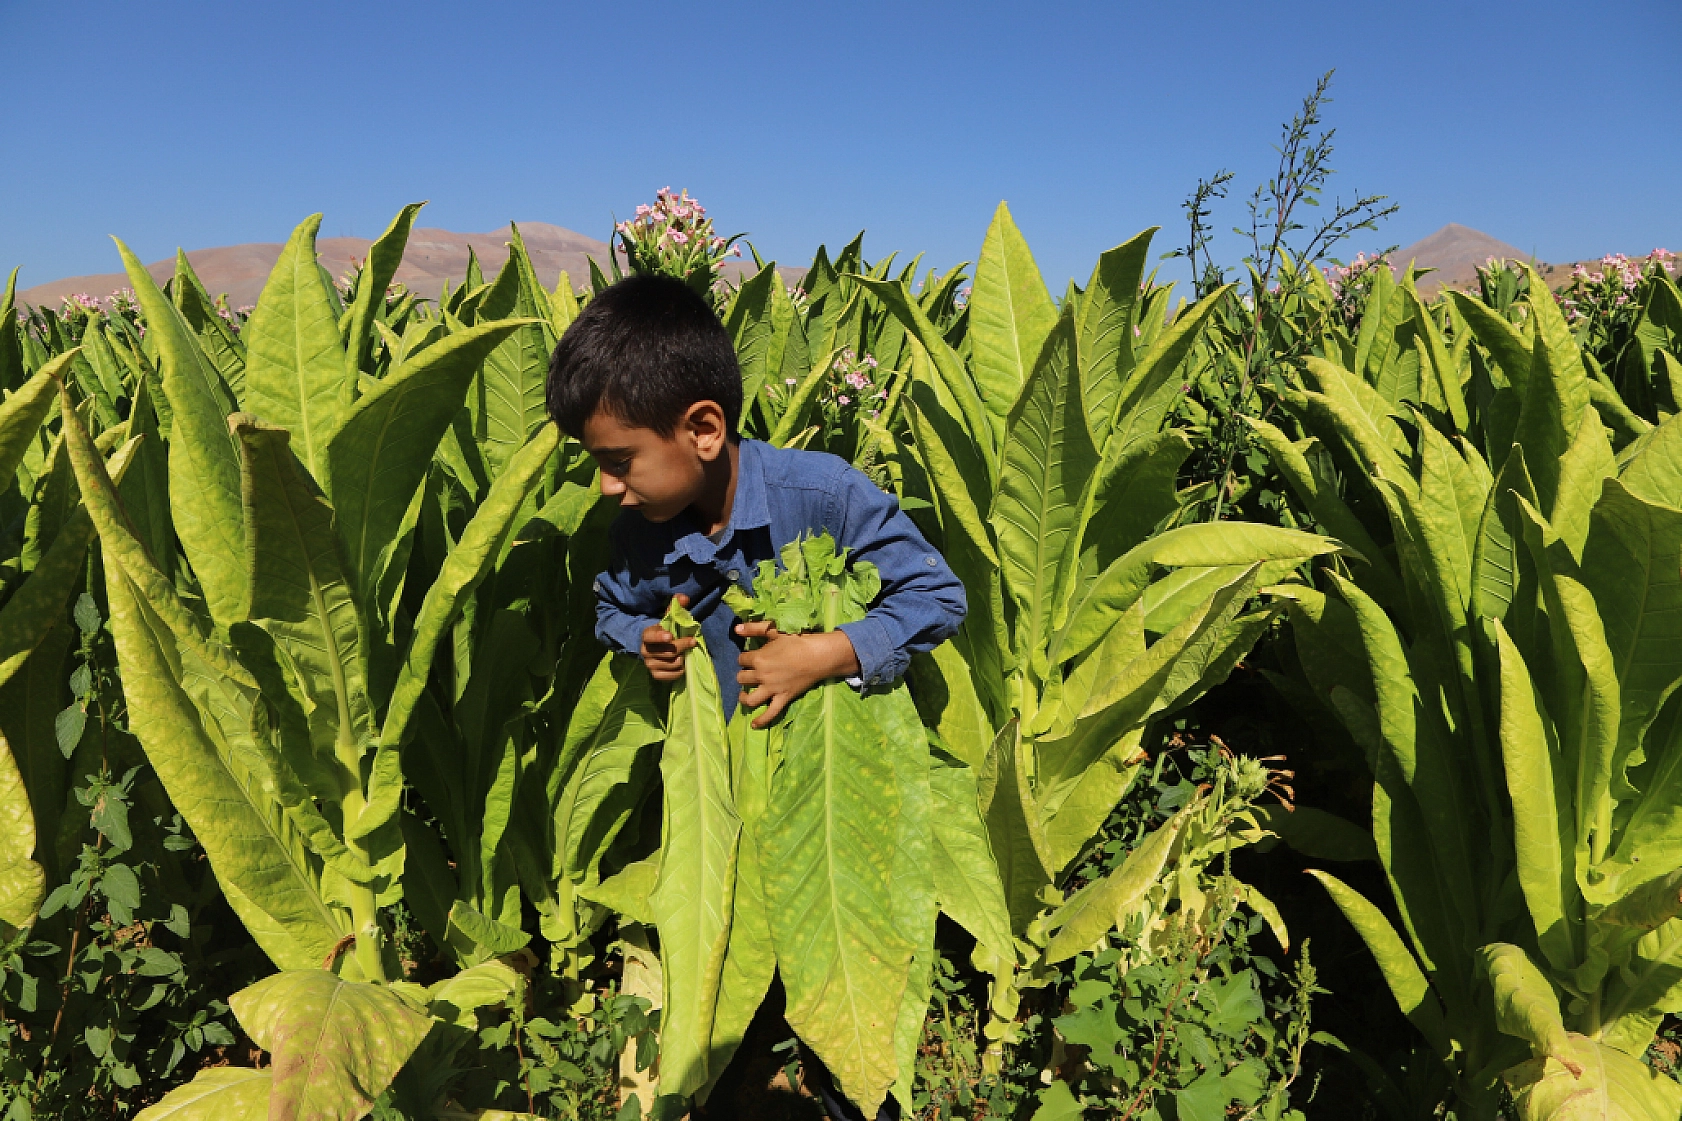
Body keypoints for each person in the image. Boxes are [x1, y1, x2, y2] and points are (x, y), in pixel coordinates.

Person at [545, 273, 967, 1120]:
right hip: (726, 803)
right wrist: (644, 639)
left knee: (841, 969)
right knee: (722, 977)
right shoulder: (639, 533)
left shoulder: (826, 495)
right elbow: (611, 606)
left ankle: (858, 1093)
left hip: (832, 794)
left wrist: (822, 653)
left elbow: (937, 595)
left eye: (618, 462)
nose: (607, 487)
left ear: (703, 429)